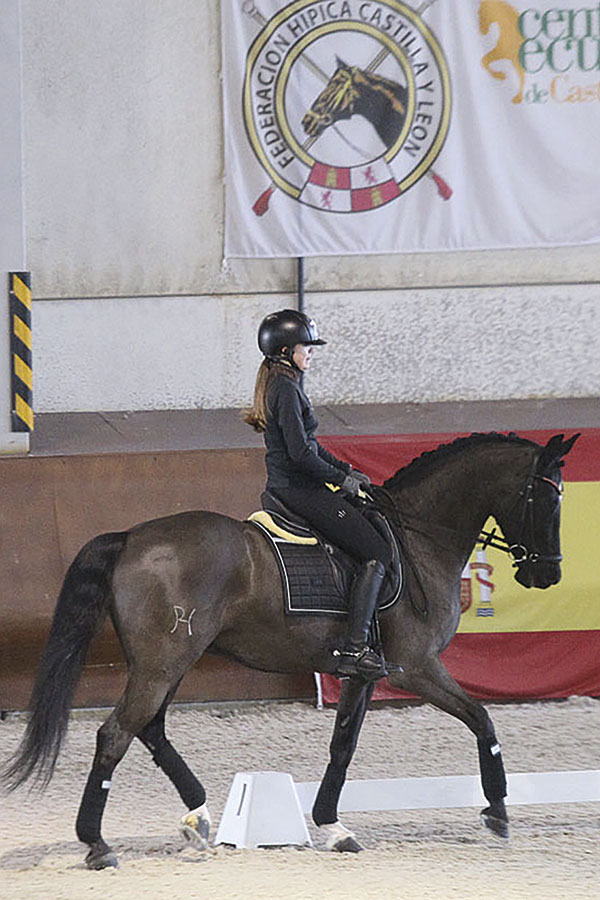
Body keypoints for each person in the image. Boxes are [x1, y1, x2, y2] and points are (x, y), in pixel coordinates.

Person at [245, 308, 392, 681]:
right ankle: (355, 648)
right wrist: (340, 480)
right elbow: (300, 455)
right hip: (298, 490)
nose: (310, 352)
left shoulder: (284, 381)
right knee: (377, 551)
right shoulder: (285, 388)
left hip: (295, 486)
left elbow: (311, 445)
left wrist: (346, 470)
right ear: (285, 351)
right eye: (305, 347)